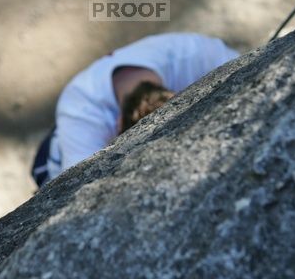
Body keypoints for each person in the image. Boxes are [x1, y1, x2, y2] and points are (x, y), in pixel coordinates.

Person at [32, 32, 239, 187]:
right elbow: (72, 190)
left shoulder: (196, 55)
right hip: (55, 161)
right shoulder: (80, 111)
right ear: (118, 124)